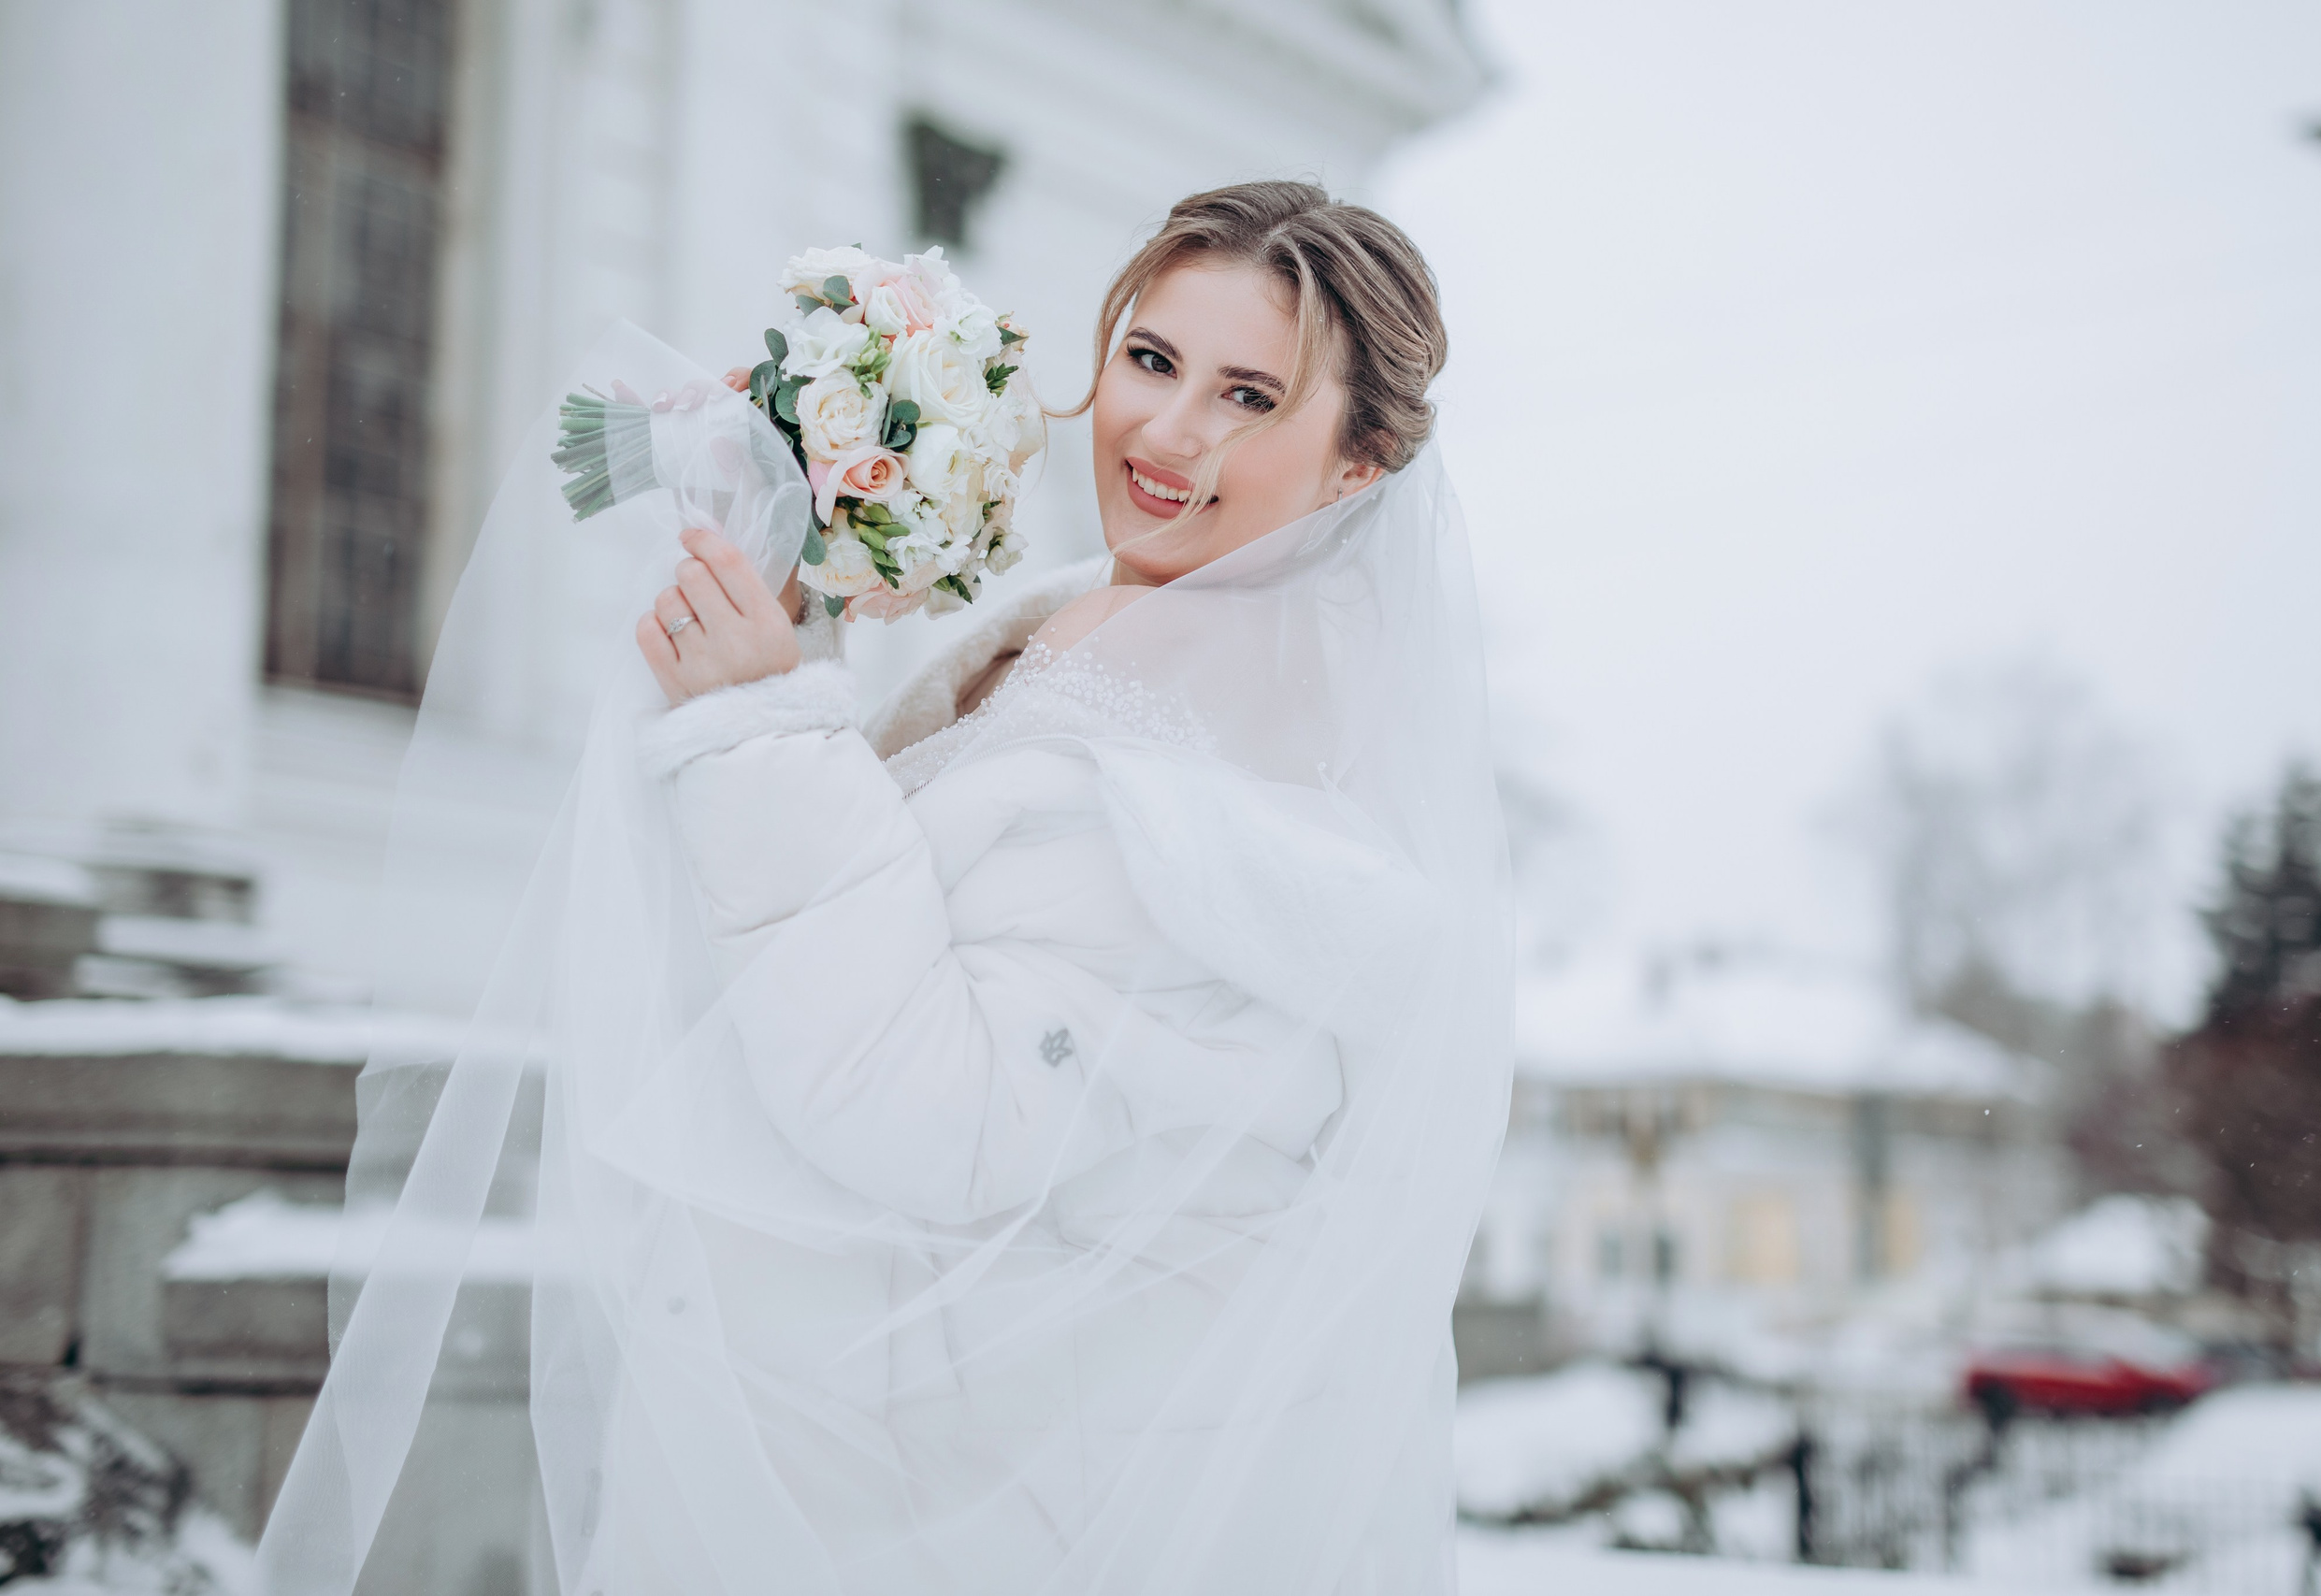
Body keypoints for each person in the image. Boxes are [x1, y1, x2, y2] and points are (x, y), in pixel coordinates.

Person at [261, 180, 1511, 1596]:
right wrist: (796, 618)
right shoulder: (1108, 624)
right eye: (1151, 360)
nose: (1166, 434)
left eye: (1249, 398)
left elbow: (944, 1115)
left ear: (1360, 462)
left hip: (987, 1503)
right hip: (919, 1454)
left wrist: (764, 737)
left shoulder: (1236, 754)